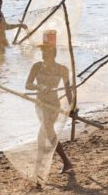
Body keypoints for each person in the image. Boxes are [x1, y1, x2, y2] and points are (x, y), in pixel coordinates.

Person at [25, 29, 73, 182]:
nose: (44, 55)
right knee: (42, 137)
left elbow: (68, 90)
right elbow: (28, 85)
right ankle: (62, 163)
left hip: (53, 105)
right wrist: (40, 87)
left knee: (47, 131)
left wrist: (72, 107)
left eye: (47, 52)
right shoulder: (37, 66)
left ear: (54, 53)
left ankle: (64, 162)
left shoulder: (62, 69)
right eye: (43, 52)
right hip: (39, 104)